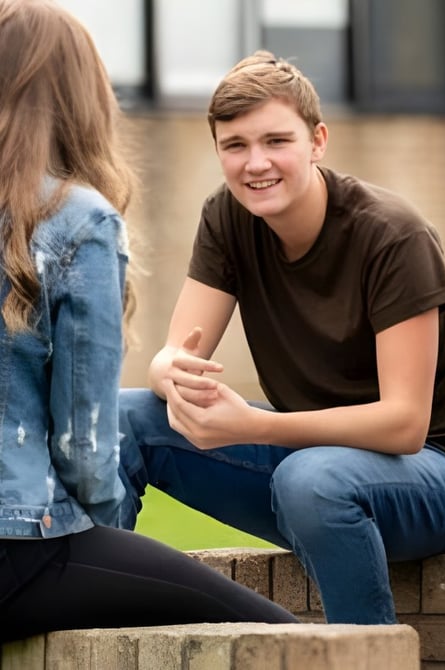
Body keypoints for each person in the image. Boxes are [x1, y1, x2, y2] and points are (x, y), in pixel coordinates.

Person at [117, 50, 445, 626]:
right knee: (127, 421)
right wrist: (167, 370)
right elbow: (178, 356)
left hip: (437, 479)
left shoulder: (392, 235)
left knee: (311, 479)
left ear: (318, 140)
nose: (255, 163)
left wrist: (256, 425)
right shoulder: (228, 217)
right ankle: (84, 634)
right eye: (235, 145)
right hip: (311, 464)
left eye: (275, 141)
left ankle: (367, 661)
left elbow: (405, 423)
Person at [0, 0, 299, 641]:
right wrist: (106, 530)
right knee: (286, 634)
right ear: (82, 95)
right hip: (18, 546)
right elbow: (82, 442)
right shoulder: (77, 219)